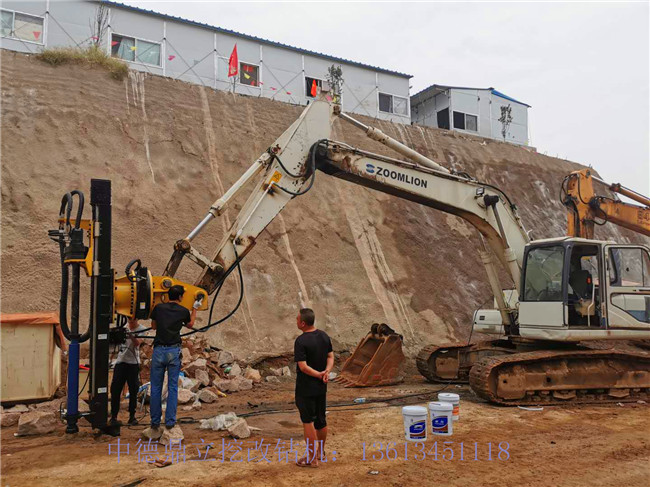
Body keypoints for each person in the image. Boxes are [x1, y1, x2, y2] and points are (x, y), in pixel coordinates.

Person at [144, 285, 201, 438]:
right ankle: (170, 422)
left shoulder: (158, 308)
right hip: (173, 351)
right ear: (181, 297)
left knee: (155, 388)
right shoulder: (183, 311)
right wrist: (194, 309)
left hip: (159, 351)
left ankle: (155, 423)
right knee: (172, 387)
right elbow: (190, 325)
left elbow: (153, 326)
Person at [293, 308, 334, 467]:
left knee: (308, 421)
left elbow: (303, 367)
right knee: (321, 420)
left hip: (306, 387)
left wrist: (317, 374)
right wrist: (326, 372)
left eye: (297, 319)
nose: (296, 321)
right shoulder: (324, 336)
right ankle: (320, 452)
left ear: (303, 323)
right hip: (321, 386)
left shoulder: (301, 341)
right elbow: (330, 356)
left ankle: (312, 458)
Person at [110, 317, 146, 426]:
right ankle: (114, 416)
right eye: (129, 318)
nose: (131, 320)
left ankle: (132, 416)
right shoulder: (123, 327)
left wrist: (130, 334)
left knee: (133, 390)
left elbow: (137, 343)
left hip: (133, 364)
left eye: (133, 318)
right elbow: (115, 345)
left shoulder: (142, 329)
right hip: (121, 362)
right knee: (115, 390)